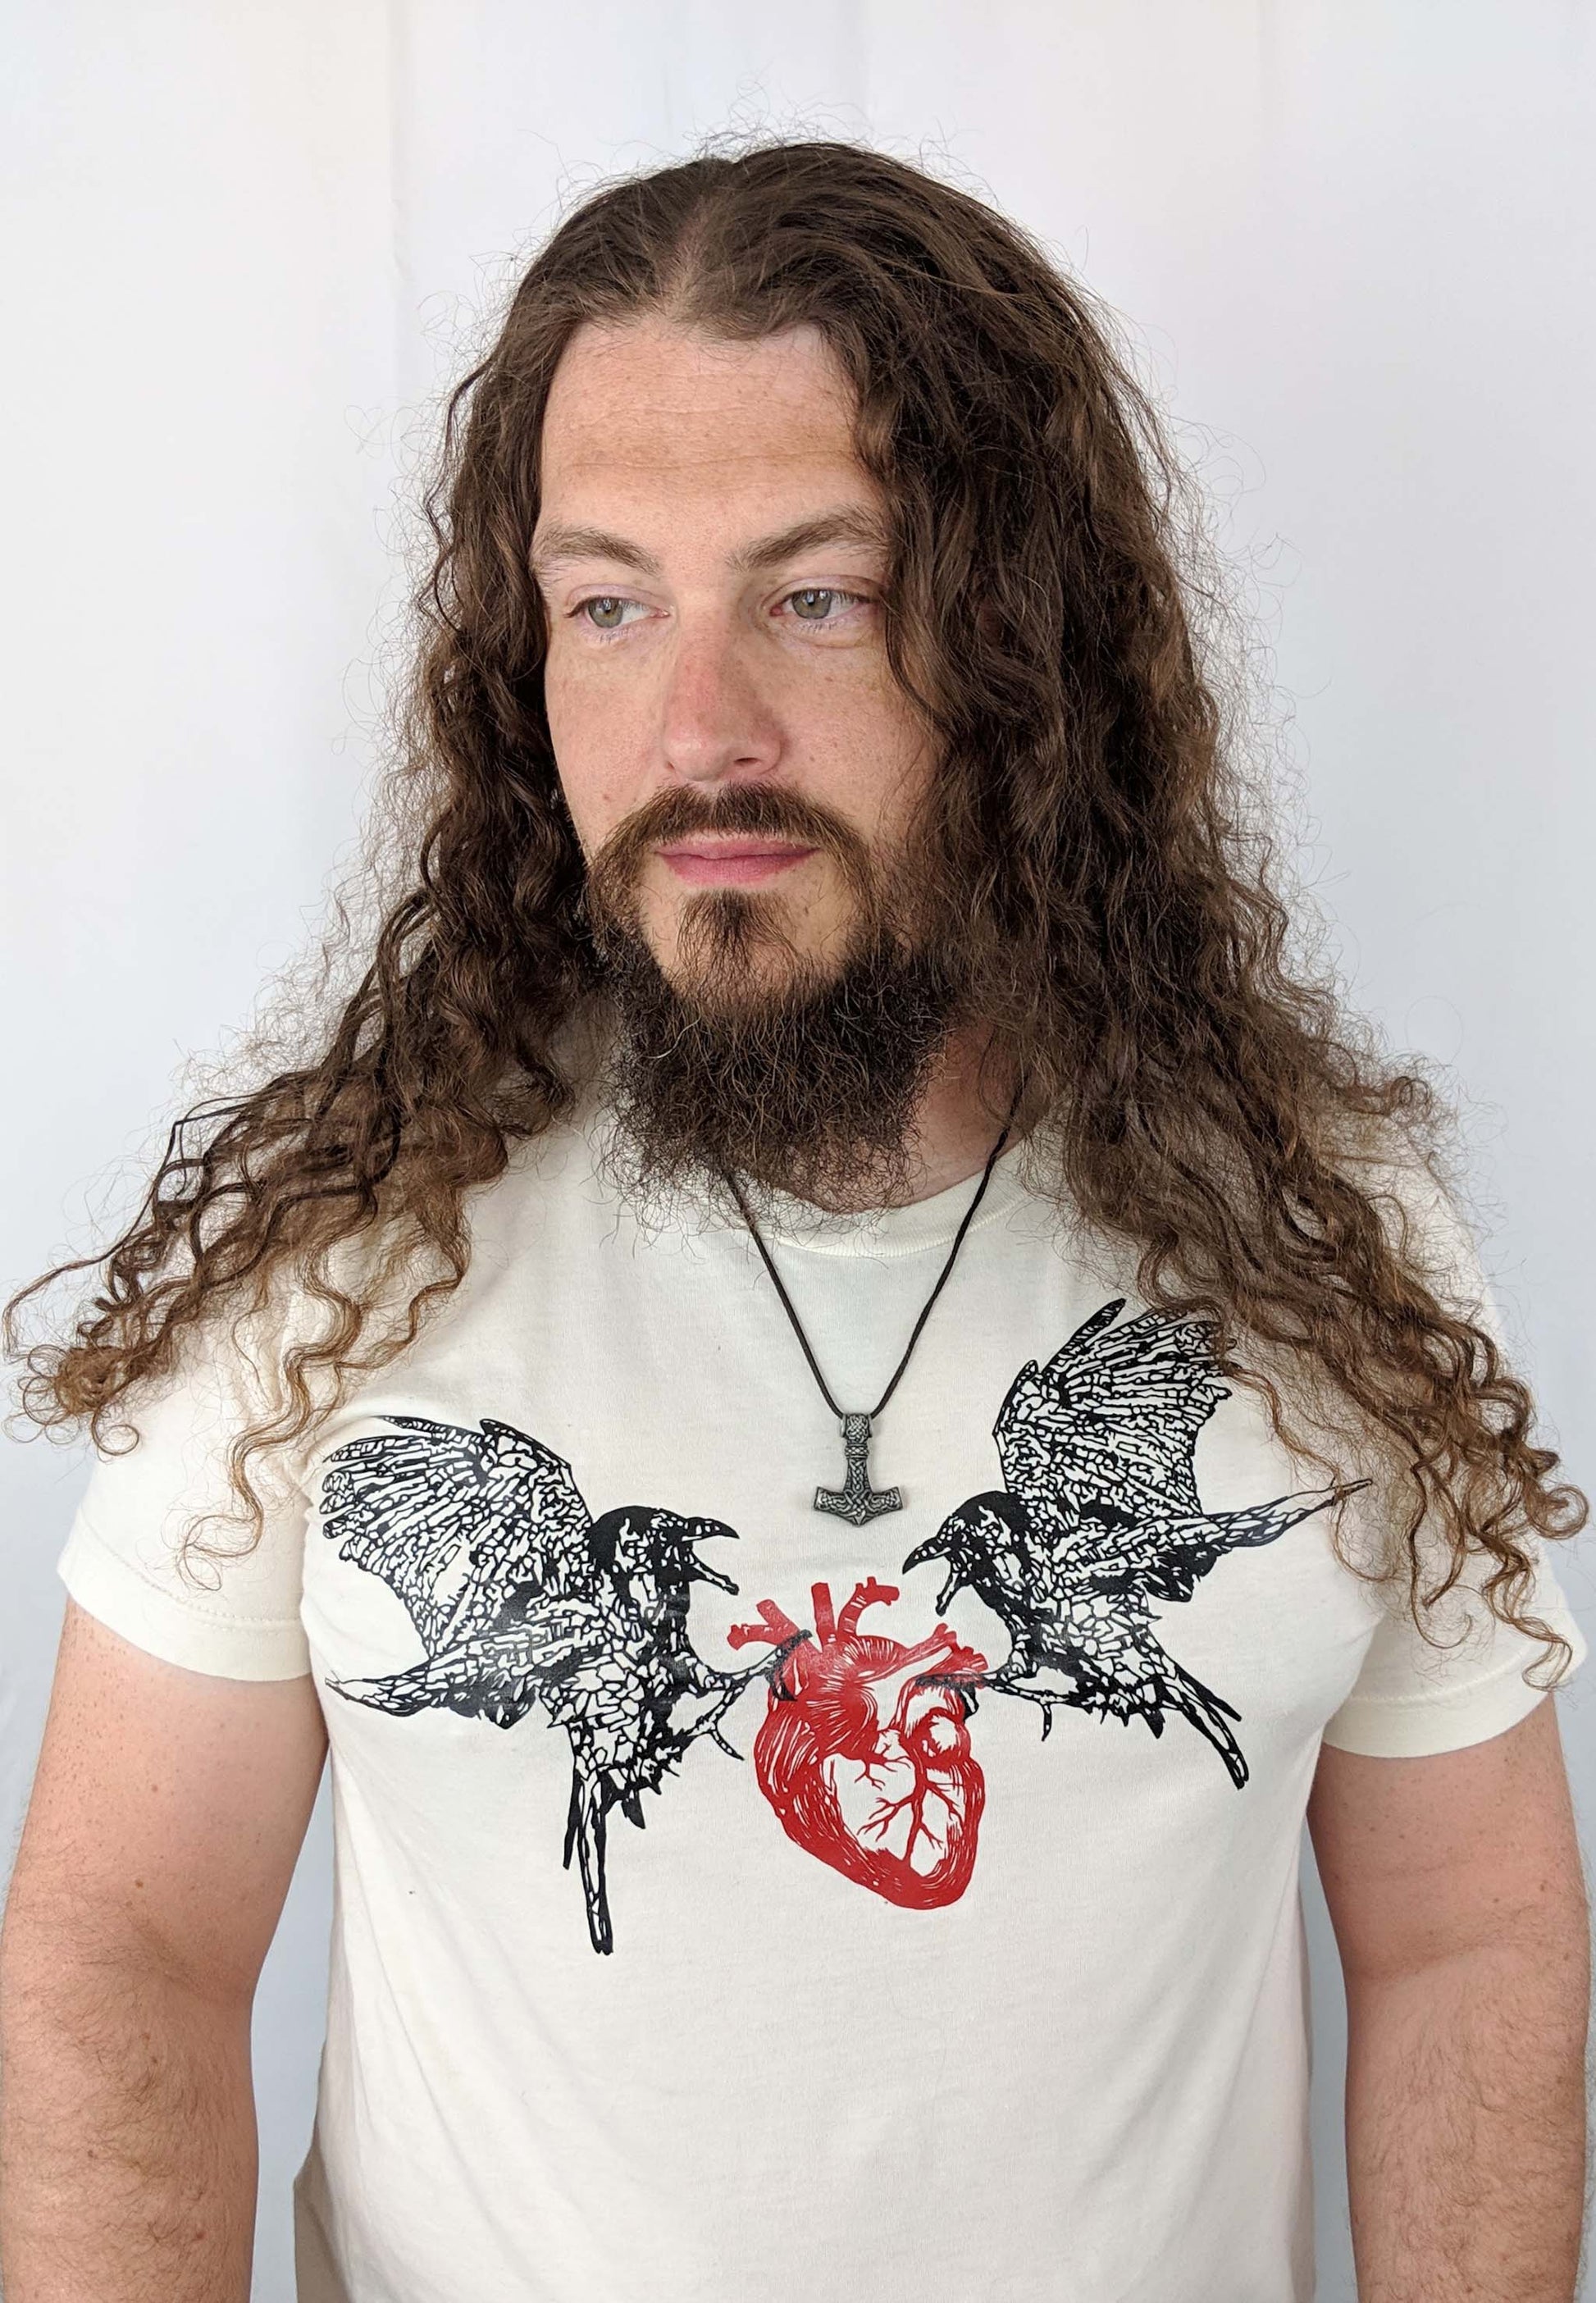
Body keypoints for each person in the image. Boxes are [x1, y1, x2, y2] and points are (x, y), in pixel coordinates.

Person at [0, 139, 1589, 2303]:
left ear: (1020, 648)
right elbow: (130, 1949)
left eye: (815, 598)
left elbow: (1468, 1936)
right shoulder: (344, 1237)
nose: (700, 732)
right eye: (610, 606)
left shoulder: (1323, 1233)